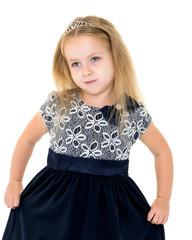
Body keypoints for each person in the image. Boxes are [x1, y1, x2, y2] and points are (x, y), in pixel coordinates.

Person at [2, 16, 173, 240]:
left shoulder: (131, 112)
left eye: (94, 59)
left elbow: (162, 152)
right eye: (76, 63)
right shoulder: (60, 104)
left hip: (108, 208)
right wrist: (15, 180)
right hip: (55, 204)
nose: (86, 71)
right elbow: (27, 139)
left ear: (115, 56)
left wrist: (163, 199)